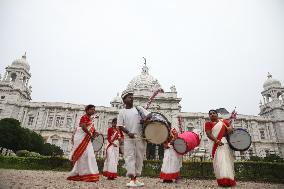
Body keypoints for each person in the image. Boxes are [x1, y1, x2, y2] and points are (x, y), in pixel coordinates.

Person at [117, 89, 151, 187]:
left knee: (139, 158)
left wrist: (145, 119)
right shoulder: (122, 112)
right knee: (130, 157)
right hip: (129, 138)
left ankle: (136, 179)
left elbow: (150, 115)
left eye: (132, 96)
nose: (131, 98)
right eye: (129, 97)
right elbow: (120, 126)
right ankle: (132, 179)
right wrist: (128, 132)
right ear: (124, 100)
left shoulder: (139, 109)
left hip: (140, 138)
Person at [67, 104, 100, 182]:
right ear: (87, 110)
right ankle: (80, 173)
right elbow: (83, 127)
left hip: (87, 139)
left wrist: (96, 133)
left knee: (89, 155)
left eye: (94, 109)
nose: (93, 111)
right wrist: (90, 134)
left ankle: (86, 173)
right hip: (81, 138)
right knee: (82, 155)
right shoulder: (84, 117)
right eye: (92, 109)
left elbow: (93, 130)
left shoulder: (91, 119)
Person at [204, 109, 236, 187]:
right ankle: (222, 180)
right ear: (209, 116)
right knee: (219, 162)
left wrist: (230, 128)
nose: (212, 114)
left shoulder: (223, 121)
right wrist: (217, 141)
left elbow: (231, 128)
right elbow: (208, 134)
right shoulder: (208, 123)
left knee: (226, 161)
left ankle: (229, 180)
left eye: (213, 113)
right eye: (210, 114)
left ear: (217, 114)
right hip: (215, 144)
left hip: (224, 143)